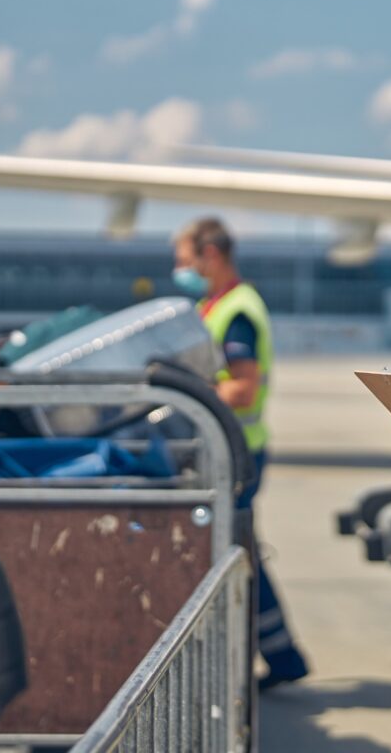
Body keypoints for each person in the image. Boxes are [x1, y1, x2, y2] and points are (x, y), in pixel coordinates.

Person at [172, 217, 310, 690]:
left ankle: (280, 656)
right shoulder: (213, 306)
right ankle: (282, 655)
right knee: (240, 551)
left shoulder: (238, 311)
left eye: (185, 259)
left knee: (235, 554)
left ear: (211, 255)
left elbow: (244, 389)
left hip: (238, 454)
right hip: (227, 450)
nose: (180, 268)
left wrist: (186, 391)